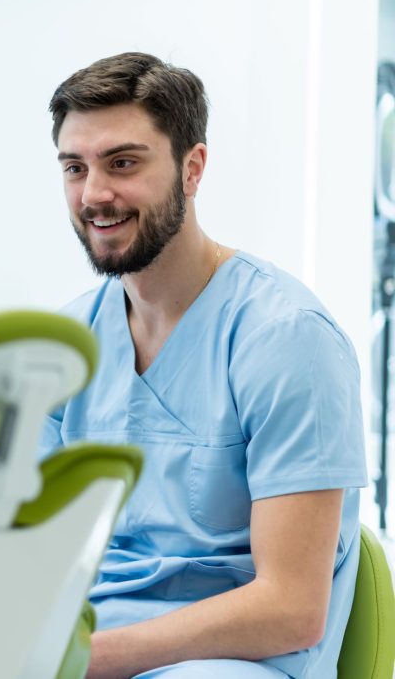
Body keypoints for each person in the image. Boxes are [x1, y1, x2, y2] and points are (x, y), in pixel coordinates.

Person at [43, 52, 367, 679]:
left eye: (123, 163)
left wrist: (91, 659)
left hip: (231, 662)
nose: (94, 194)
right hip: (88, 647)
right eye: (74, 168)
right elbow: (37, 557)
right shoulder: (67, 345)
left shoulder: (286, 339)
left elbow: (293, 608)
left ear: (192, 169)